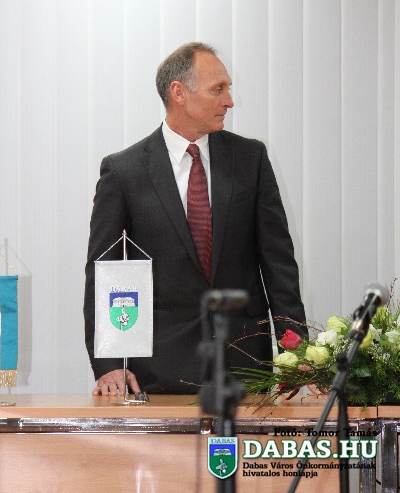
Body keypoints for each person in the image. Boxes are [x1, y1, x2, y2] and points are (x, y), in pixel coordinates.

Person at [84, 42, 307, 396]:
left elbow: (278, 264)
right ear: (179, 93)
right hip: (159, 370)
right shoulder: (124, 171)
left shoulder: (250, 159)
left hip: (246, 364)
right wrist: (109, 363)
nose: (229, 101)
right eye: (218, 89)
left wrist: (298, 351)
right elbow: (104, 271)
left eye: (228, 89)